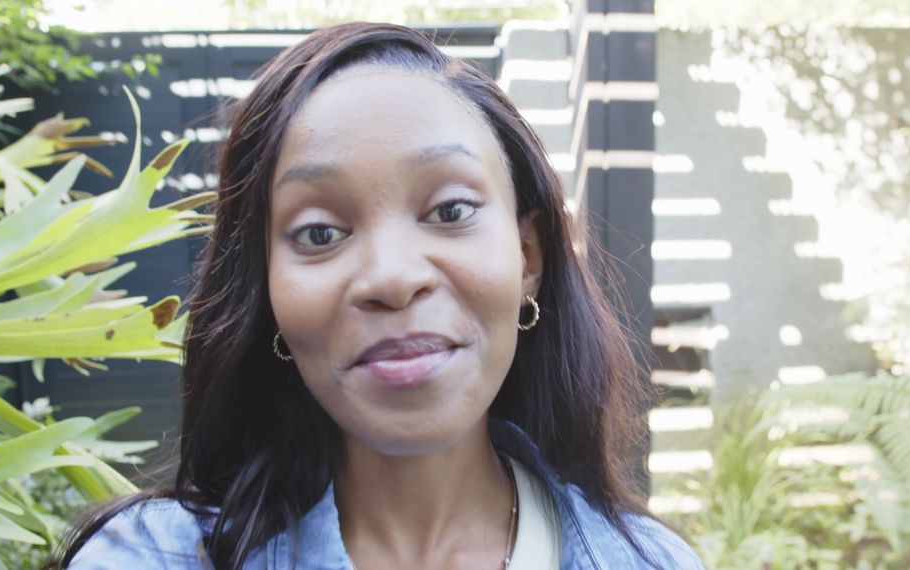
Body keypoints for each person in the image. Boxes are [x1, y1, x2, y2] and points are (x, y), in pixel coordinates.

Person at [54, 22, 704, 569]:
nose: (392, 278)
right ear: (269, 293)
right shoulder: (149, 558)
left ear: (528, 258)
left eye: (450, 211)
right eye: (318, 232)